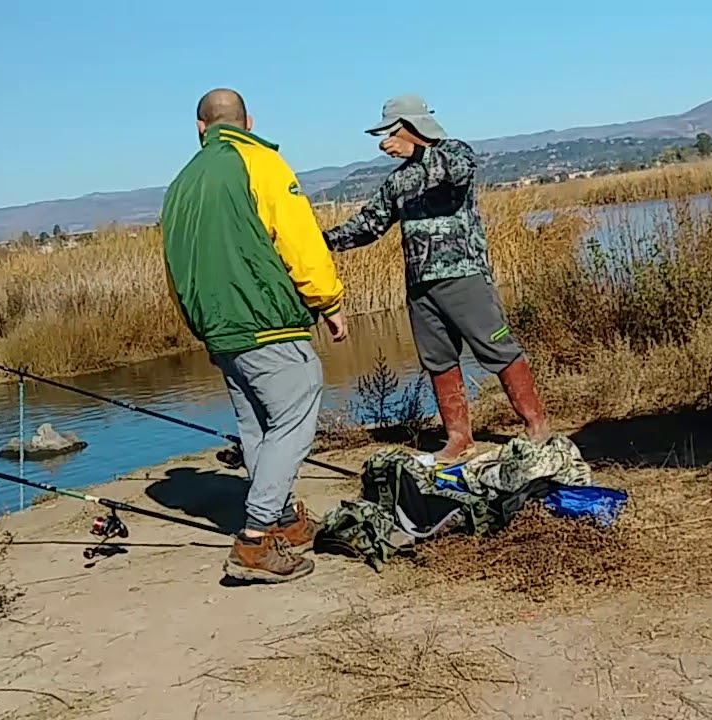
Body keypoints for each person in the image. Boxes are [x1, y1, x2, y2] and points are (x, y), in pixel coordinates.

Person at [160, 88, 348, 584]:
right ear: (248, 121)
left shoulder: (180, 185)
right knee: (292, 417)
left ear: (201, 127)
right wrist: (327, 301)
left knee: (256, 428)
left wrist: (202, 325)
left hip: (220, 330)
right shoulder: (260, 161)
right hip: (268, 320)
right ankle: (255, 538)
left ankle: (285, 519)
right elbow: (298, 237)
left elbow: (174, 266)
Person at [323, 94, 550, 464]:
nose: (384, 143)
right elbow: (369, 225)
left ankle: (537, 427)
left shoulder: (454, 153)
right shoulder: (397, 182)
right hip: (420, 287)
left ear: (413, 127)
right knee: (439, 361)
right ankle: (459, 438)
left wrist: (417, 149)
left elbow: (457, 170)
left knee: (497, 349)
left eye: (391, 132)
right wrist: (322, 242)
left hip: (464, 278)